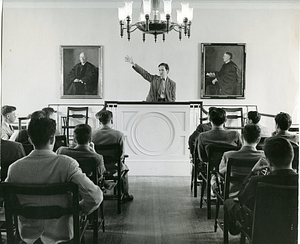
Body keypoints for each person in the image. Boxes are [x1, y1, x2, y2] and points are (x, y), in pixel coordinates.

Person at [5, 117, 102, 243]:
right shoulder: (67, 164)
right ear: (52, 138)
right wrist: (78, 210)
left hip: (28, 235)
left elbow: (8, 201)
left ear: (30, 139)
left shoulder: (14, 168)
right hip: (63, 233)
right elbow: (95, 197)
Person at [224, 137, 298, 235]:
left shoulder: (257, 181)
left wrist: (252, 172)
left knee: (228, 202)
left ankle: (236, 230)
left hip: (260, 228)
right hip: (292, 228)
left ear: (268, 161)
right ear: (291, 156)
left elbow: (241, 197)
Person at [92, 109, 134, 203]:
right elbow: (121, 154)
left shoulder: (92, 134)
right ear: (111, 120)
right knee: (125, 169)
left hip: (97, 167)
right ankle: (125, 194)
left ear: (99, 121)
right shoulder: (118, 134)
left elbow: (91, 152)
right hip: (113, 166)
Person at [212, 124, 264, 198]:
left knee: (215, 176)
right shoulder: (264, 157)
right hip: (255, 196)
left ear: (242, 137)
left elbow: (220, 174)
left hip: (233, 194)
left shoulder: (228, 155)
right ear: (258, 139)